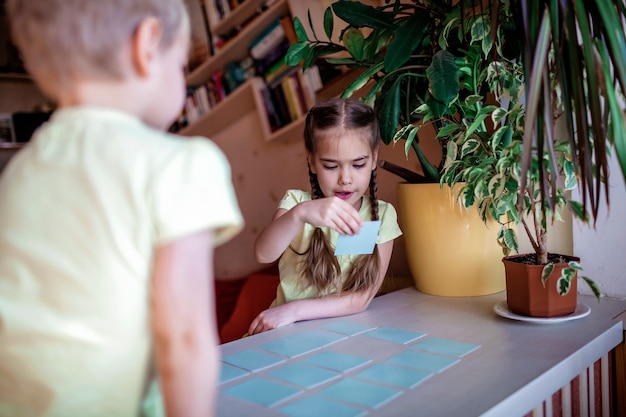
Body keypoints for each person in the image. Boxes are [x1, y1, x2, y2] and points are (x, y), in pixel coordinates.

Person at [0, 1, 243, 417]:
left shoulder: (18, 173)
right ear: (147, 44)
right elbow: (185, 340)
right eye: (182, 65)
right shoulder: (180, 164)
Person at [249, 98, 402, 336]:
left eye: (358, 165)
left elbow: (360, 299)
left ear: (373, 159)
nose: (345, 179)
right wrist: (300, 215)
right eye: (331, 166)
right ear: (311, 162)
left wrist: (293, 311)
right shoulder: (296, 203)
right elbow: (263, 254)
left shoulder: (383, 215)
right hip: (283, 334)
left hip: (340, 335)